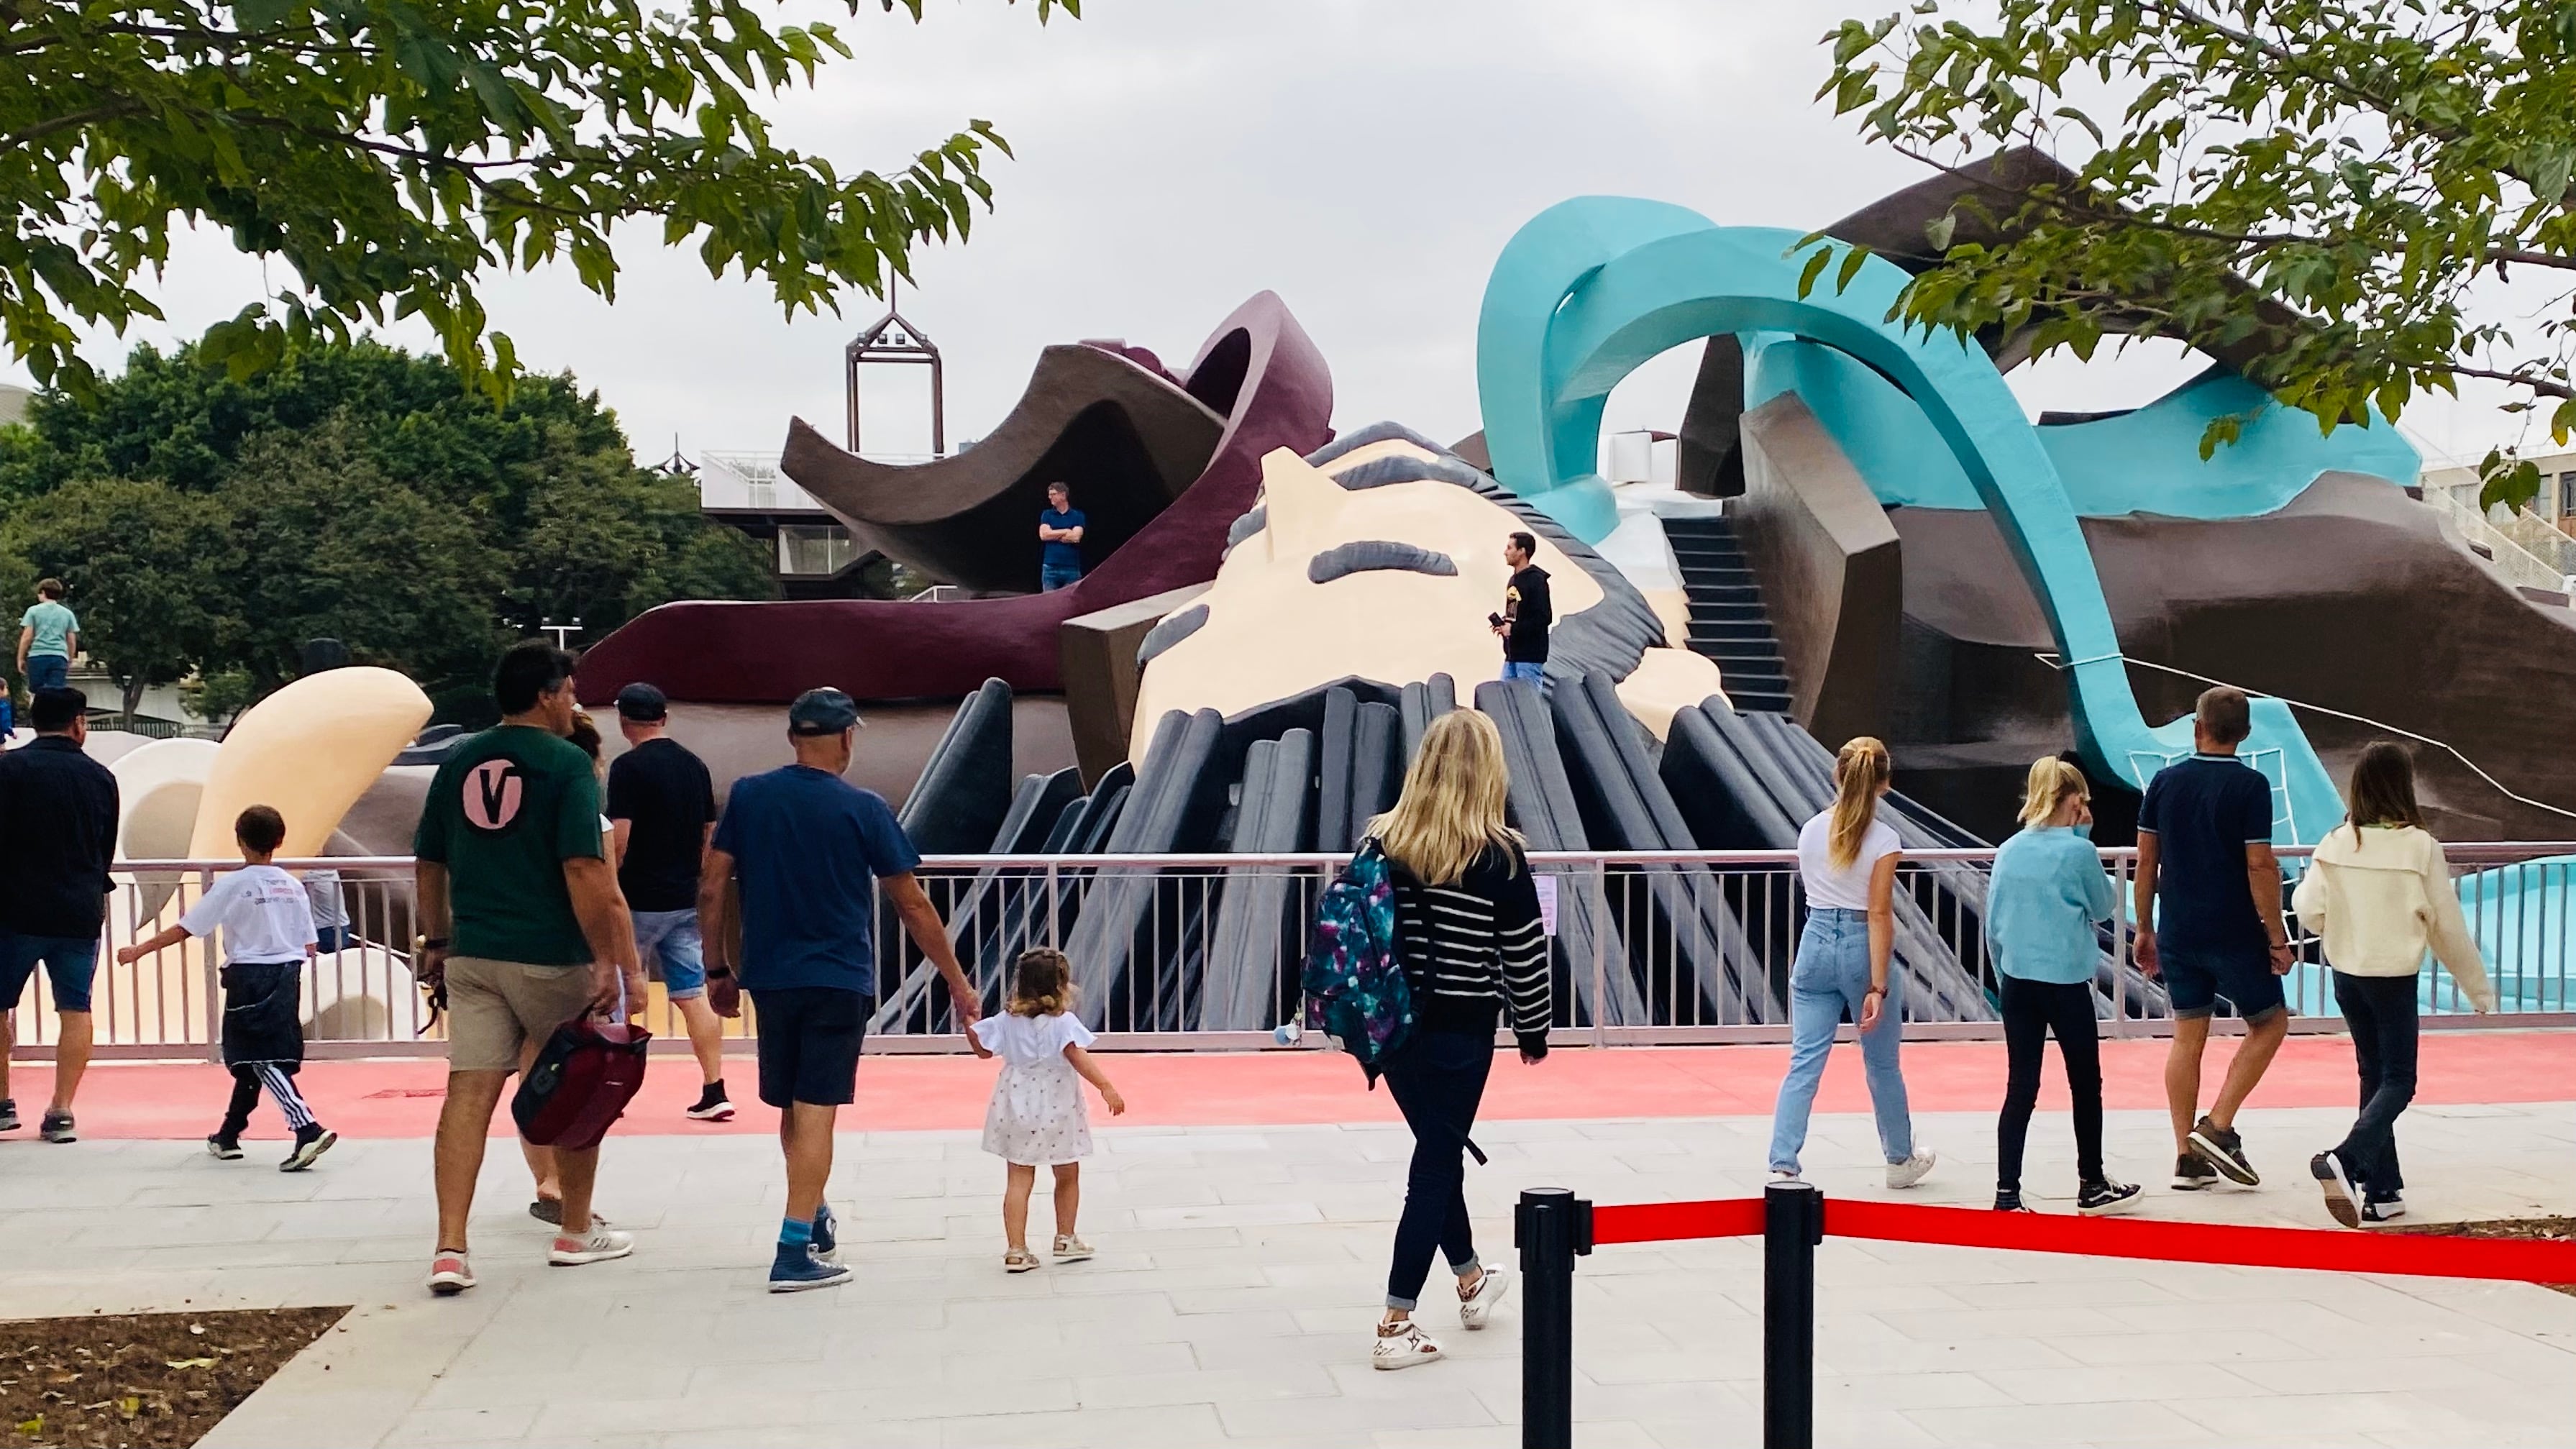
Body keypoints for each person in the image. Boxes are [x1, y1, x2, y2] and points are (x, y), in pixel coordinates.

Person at [699, 686, 987, 1292]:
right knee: (817, 1107)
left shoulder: (750, 797)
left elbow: (711, 884)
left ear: (792, 737)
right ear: (848, 737)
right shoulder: (865, 808)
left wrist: (717, 968)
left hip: (770, 975)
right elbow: (911, 902)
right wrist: (959, 983)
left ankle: (814, 1209)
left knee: (791, 1104)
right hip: (837, 975)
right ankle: (793, 1249)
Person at [414, 641, 644, 1296]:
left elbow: (430, 858)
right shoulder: (567, 764)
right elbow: (584, 867)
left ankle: (450, 1246)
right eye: (569, 691)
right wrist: (607, 957)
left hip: (474, 952)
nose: (574, 702)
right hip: (549, 952)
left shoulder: (458, 758)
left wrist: (436, 937)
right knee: (577, 1083)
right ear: (546, 694)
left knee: (468, 1093)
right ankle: (575, 1228)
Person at [1366, 709, 1551, 1371]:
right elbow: (1525, 953)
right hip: (1462, 1030)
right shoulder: (1497, 855)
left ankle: (1471, 1278)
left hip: (1393, 1031)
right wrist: (1534, 1029)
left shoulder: (1383, 842)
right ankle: (1395, 1321)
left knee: (1436, 1149)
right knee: (1436, 1166)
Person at [2295, 742, 2496, 1227]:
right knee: (2400, 1080)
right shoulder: (2419, 847)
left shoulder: (2337, 841)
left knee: (2373, 1074)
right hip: (2393, 977)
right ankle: (2346, 1157)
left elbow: (2307, 908)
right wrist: (2478, 990)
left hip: (2348, 974)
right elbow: (2447, 927)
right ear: (2403, 787)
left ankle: (2382, 1190)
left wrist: (2343, 925)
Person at [2134, 686, 2294, 1192]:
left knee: (2188, 1036)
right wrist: (2277, 935)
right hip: (2235, 930)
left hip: (2179, 928)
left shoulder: (2163, 782)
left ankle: (2187, 1155)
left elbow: (2146, 863)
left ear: (2196, 728)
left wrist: (2144, 926)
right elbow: (2260, 864)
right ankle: (2218, 1125)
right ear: (2245, 733)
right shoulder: (2251, 786)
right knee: (2269, 1022)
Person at [117, 805, 337, 1171]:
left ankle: (305, 1127)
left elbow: (188, 926)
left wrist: (140, 949)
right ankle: (229, 1134)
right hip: (288, 973)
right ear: (279, 841)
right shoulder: (292, 885)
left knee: (257, 1055)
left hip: (249, 975)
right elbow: (309, 943)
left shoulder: (234, 884)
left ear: (240, 841)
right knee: (254, 1057)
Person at [1768, 736, 1936, 1189]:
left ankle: (1783, 1160)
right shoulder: (1884, 839)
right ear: (1885, 783)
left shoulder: (1810, 830)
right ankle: (1900, 1159)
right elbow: (1880, 912)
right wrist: (1877, 988)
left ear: (1837, 774)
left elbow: (1816, 892)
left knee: (1804, 1061)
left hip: (1816, 939)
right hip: (1862, 943)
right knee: (1882, 1064)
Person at [1985, 757, 2139, 1215]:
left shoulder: (2010, 848)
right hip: (2066, 981)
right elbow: (2104, 904)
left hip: (2017, 979)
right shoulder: (2078, 852)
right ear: (2073, 801)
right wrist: (2083, 838)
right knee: (2084, 1083)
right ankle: (2091, 1181)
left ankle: (2006, 1191)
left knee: (2021, 1086)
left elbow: (1995, 923)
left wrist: (2003, 976)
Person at [606, 682, 729, 1122]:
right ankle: (715, 1088)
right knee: (693, 993)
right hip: (682, 898)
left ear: (624, 721)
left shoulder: (627, 768)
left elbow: (620, 838)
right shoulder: (694, 766)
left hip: (636, 899)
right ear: (664, 717)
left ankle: (611, 1092)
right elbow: (707, 834)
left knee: (616, 992)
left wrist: (610, 886)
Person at [0, 687, 118, 1143]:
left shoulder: (8, 771)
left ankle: (3, 1103)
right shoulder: (101, 778)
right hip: (78, 913)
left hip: (13, 912)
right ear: (79, 723)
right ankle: (61, 1110)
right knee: (75, 1007)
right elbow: (103, 849)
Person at [970, 947, 1125, 1272]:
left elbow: (984, 1051)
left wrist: (970, 1022)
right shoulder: (1064, 1023)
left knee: (1019, 1176)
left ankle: (1016, 1248)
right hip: (1059, 1102)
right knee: (1067, 1172)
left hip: (1016, 1100)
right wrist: (1106, 1087)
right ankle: (1065, 1237)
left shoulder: (1006, 1021)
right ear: (1061, 985)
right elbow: (1077, 1057)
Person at [1493, 531, 1551, 686]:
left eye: (1510, 548)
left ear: (1522, 551)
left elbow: (1543, 617)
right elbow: (1517, 614)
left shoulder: (1536, 580)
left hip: (1529, 657)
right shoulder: (1514, 580)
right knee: (1505, 699)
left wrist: (1513, 629)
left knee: (1528, 703)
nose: (1505, 552)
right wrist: (1504, 623)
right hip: (1512, 654)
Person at [16, 580, 77, 694]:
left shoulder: (33, 611)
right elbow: (71, 640)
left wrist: (20, 658)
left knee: (38, 692)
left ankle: (40, 711)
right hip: (59, 657)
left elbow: (27, 637)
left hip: (37, 656)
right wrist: (70, 658)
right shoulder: (67, 614)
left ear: (43, 592)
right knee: (56, 692)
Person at [1037, 481, 1086, 591]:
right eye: (1049, 494)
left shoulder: (1077, 515)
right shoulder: (1047, 514)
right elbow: (1044, 535)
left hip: (1071, 568)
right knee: (1048, 602)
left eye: (1053, 494)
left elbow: (1075, 537)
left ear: (1063, 495)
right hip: (1050, 567)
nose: (1050, 497)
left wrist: (1054, 534)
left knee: (1071, 602)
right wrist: (1066, 531)